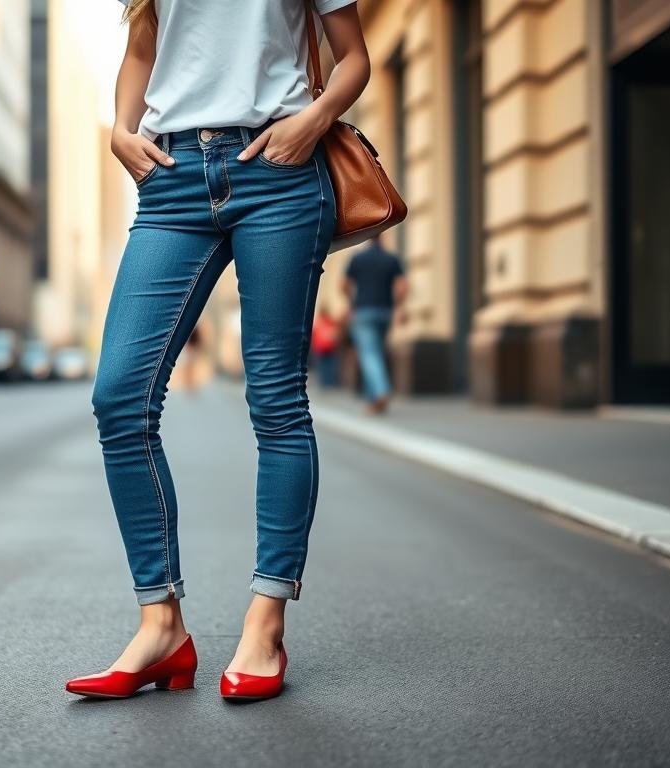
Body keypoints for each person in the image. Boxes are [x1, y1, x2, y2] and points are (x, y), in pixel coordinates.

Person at [65, 0, 370, 702]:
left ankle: (266, 624)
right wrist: (119, 127)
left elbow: (355, 57)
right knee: (119, 397)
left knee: (275, 401)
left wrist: (312, 120)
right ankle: (161, 624)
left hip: (280, 171)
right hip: (172, 179)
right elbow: (144, 45)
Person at [343, 234, 408, 414]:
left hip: (363, 311)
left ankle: (380, 392)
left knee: (369, 355)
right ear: (382, 238)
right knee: (377, 352)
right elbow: (403, 286)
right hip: (385, 312)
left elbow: (344, 285)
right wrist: (398, 306)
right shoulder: (391, 259)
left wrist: (351, 302)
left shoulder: (357, 258)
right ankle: (374, 401)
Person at [310, 309, 342, 388]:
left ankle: (324, 381)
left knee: (322, 364)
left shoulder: (319, 321)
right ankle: (330, 381)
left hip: (320, 347)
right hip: (329, 345)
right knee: (330, 363)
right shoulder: (331, 322)